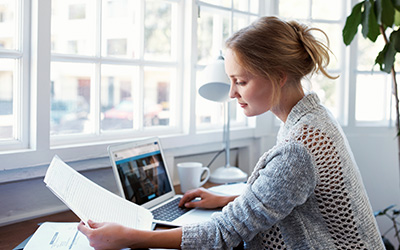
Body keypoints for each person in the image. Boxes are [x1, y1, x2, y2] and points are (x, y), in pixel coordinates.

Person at [78, 16, 385, 249]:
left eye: (241, 81)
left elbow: (224, 233)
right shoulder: (314, 118)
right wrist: (229, 198)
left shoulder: (298, 148)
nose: (232, 93)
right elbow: (290, 193)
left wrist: (128, 237)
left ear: (278, 76)